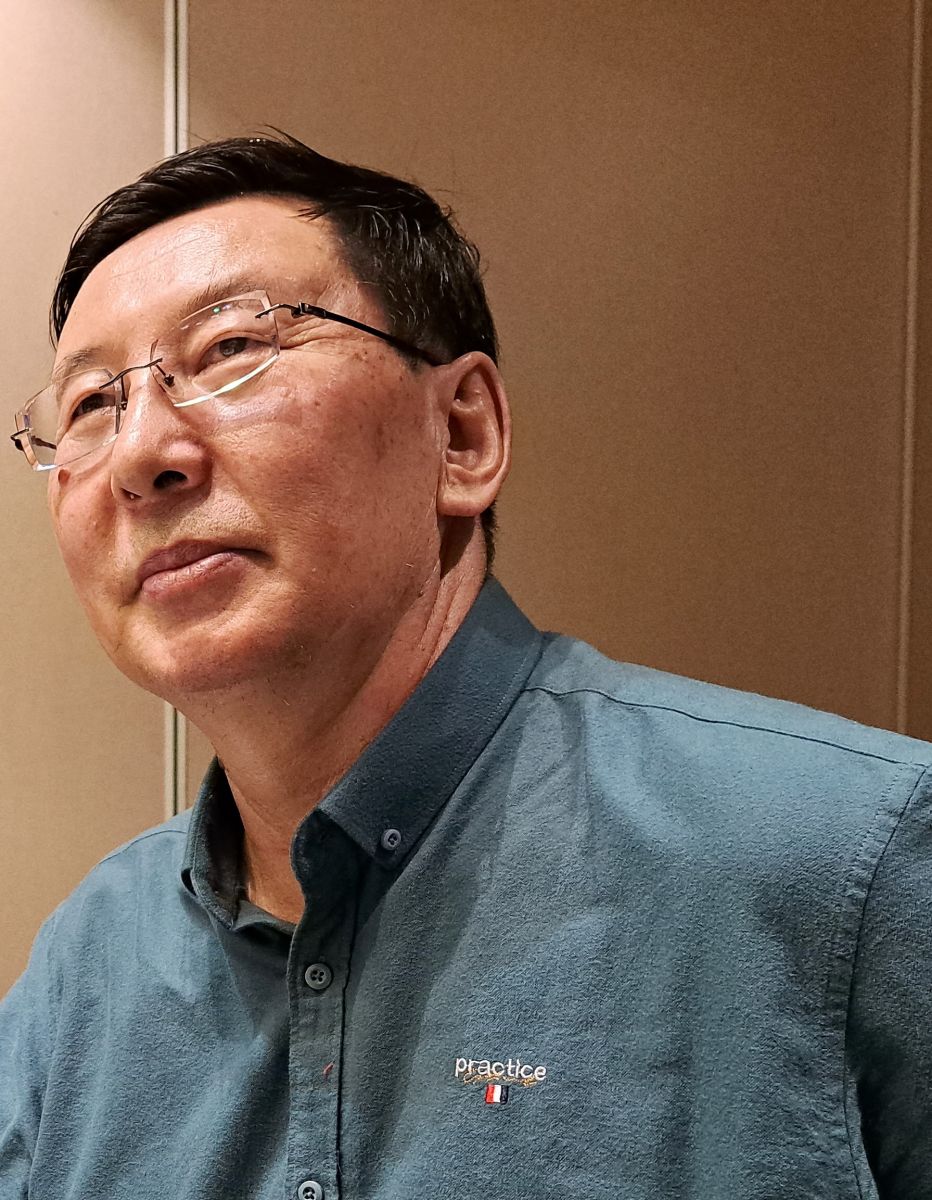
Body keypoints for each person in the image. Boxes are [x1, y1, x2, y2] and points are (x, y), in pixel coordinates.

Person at [2, 134, 930, 1200]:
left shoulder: (843, 865)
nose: (140, 454)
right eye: (91, 405)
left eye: (231, 348)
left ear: (461, 435)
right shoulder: (87, 965)